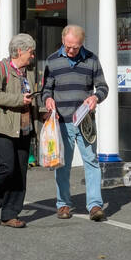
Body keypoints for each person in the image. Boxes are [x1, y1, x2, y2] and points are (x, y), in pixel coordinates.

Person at [41, 24, 109, 221]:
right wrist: (47, 99)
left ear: (82, 44)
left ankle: (95, 205)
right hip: (62, 121)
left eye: (76, 47)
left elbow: (103, 87)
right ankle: (63, 205)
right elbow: (46, 89)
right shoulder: (52, 61)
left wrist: (96, 98)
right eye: (68, 46)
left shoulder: (92, 59)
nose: (71, 50)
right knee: (62, 165)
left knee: (92, 161)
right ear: (63, 40)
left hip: (85, 121)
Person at [0, 34, 36, 228]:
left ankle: (9, 214)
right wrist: (19, 100)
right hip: (4, 127)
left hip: (25, 127)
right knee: (7, 167)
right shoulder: (0, 68)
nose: (33, 56)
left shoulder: (29, 72)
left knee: (21, 172)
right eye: (31, 52)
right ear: (20, 51)